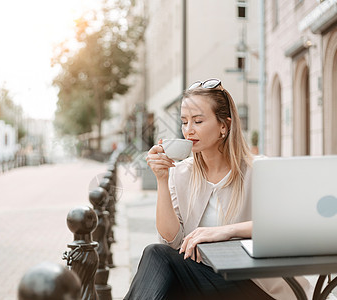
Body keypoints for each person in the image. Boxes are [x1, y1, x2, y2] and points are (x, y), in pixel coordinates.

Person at [124, 79, 313, 300]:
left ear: (224, 125)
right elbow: (171, 242)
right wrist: (162, 180)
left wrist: (226, 232)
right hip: (205, 280)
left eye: (198, 121)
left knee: (160, 264)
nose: (188, 130)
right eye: (184, 122)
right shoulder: (181, 173)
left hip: (257, 287)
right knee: (157, 254)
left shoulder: (258, 169)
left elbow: (286, 224)